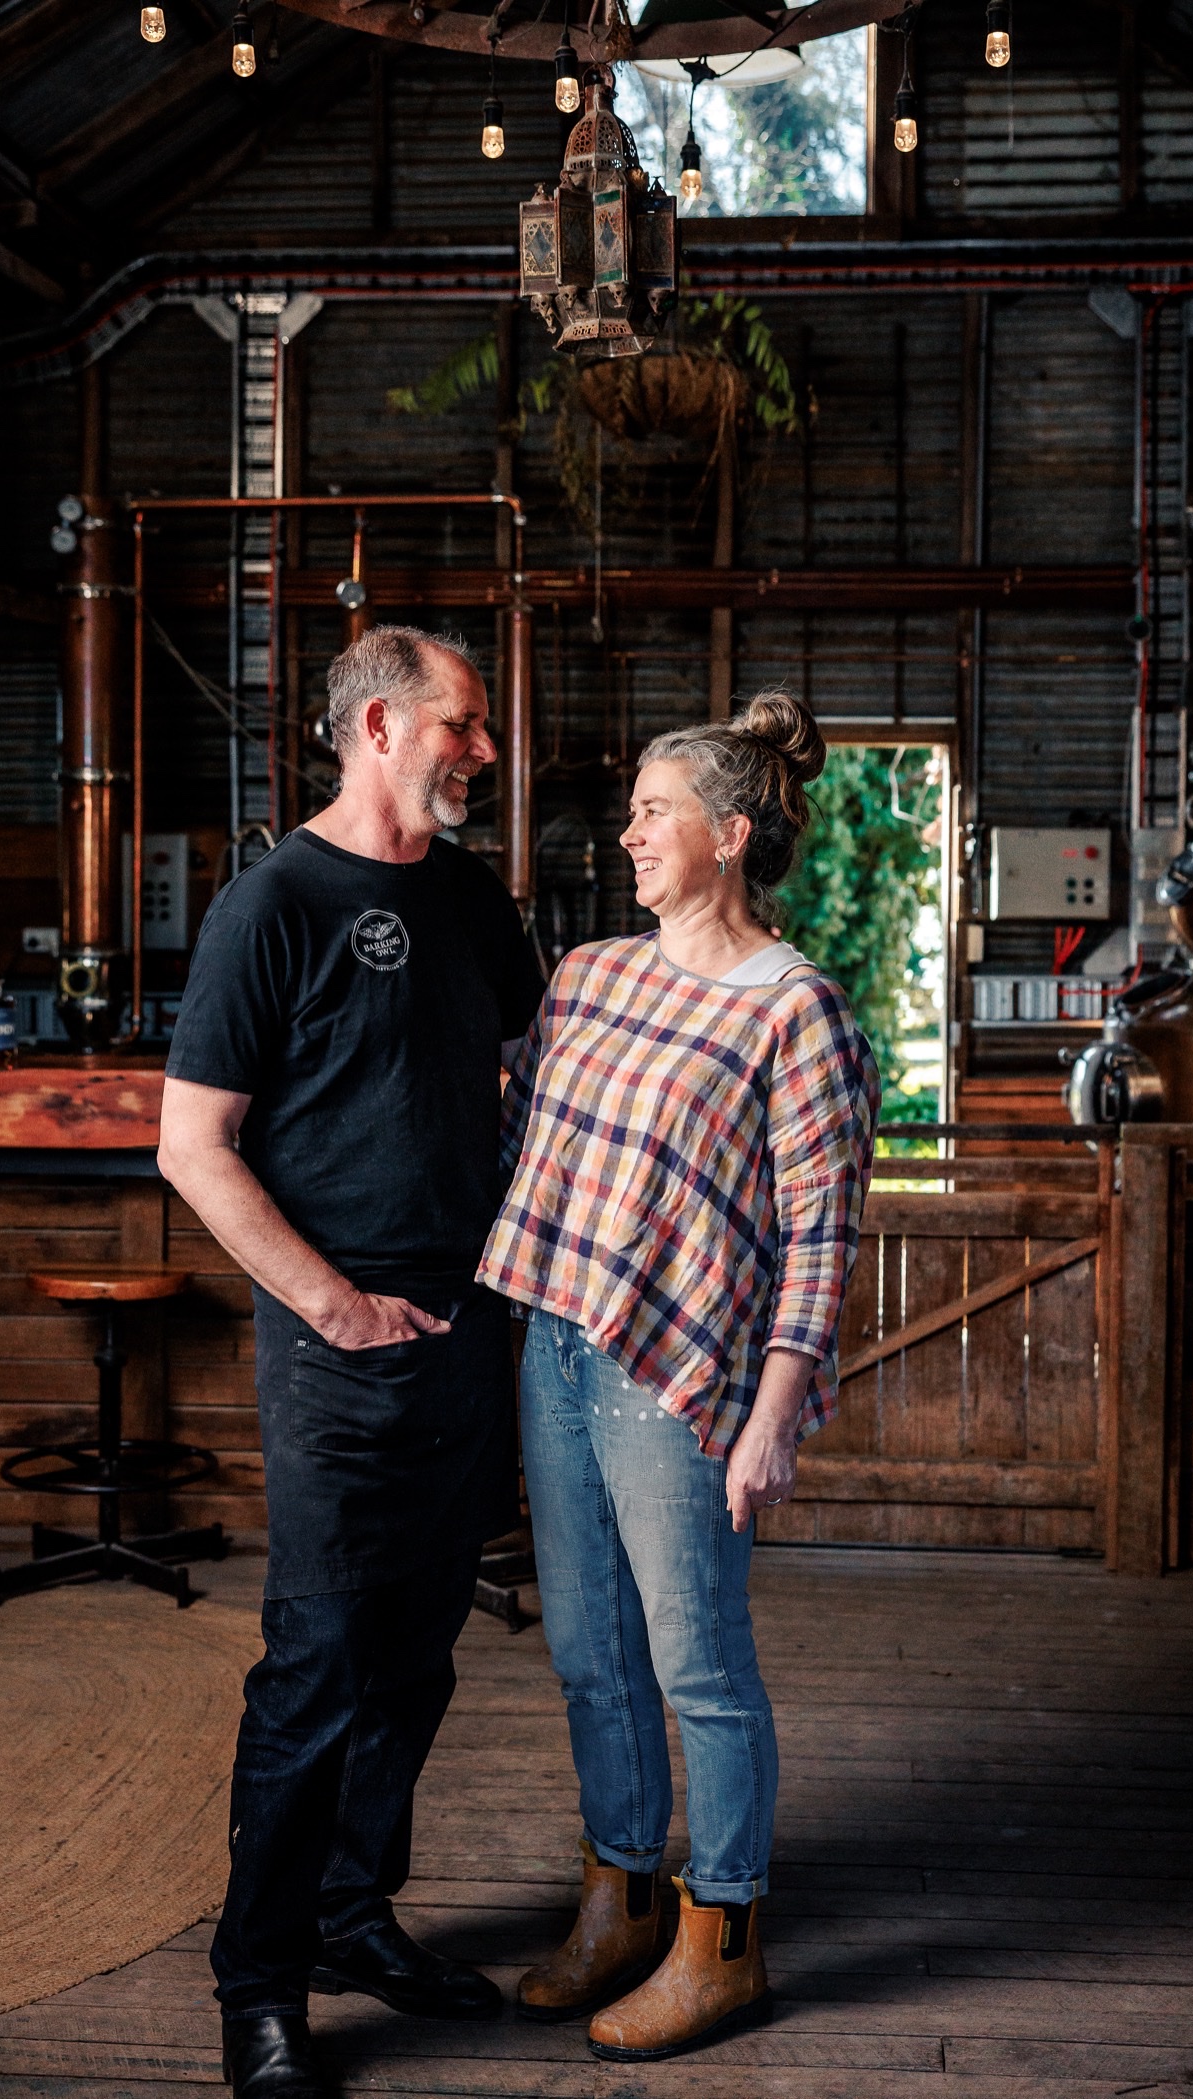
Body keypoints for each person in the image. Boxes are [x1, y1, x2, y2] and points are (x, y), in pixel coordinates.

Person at [157, 626, 545, 2099]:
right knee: (317, 1669)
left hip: (469, 1333)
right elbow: (192, 1145)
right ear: (380, 724)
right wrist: (332, 1304)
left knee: (415, 1663)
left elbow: (538, 1057)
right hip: (340, 1352)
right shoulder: (274, 905)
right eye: (468, 724)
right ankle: (257, 1988)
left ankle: (348, 1914)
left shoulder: (468, 899)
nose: (486, 753)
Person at [478, 692, 879, 2064]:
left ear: (731, 833)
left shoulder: (798, 1010)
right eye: (636, 812)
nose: (632, 833)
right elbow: (528, 1122)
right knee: (590, 1654)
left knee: (693, 1660)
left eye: (656, 813)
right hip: (555, 1338)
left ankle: (725, 1939)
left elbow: (820, 1236)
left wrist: (772, 1412)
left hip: (682, 1371)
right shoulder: (588, 973)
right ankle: (622, 1897)